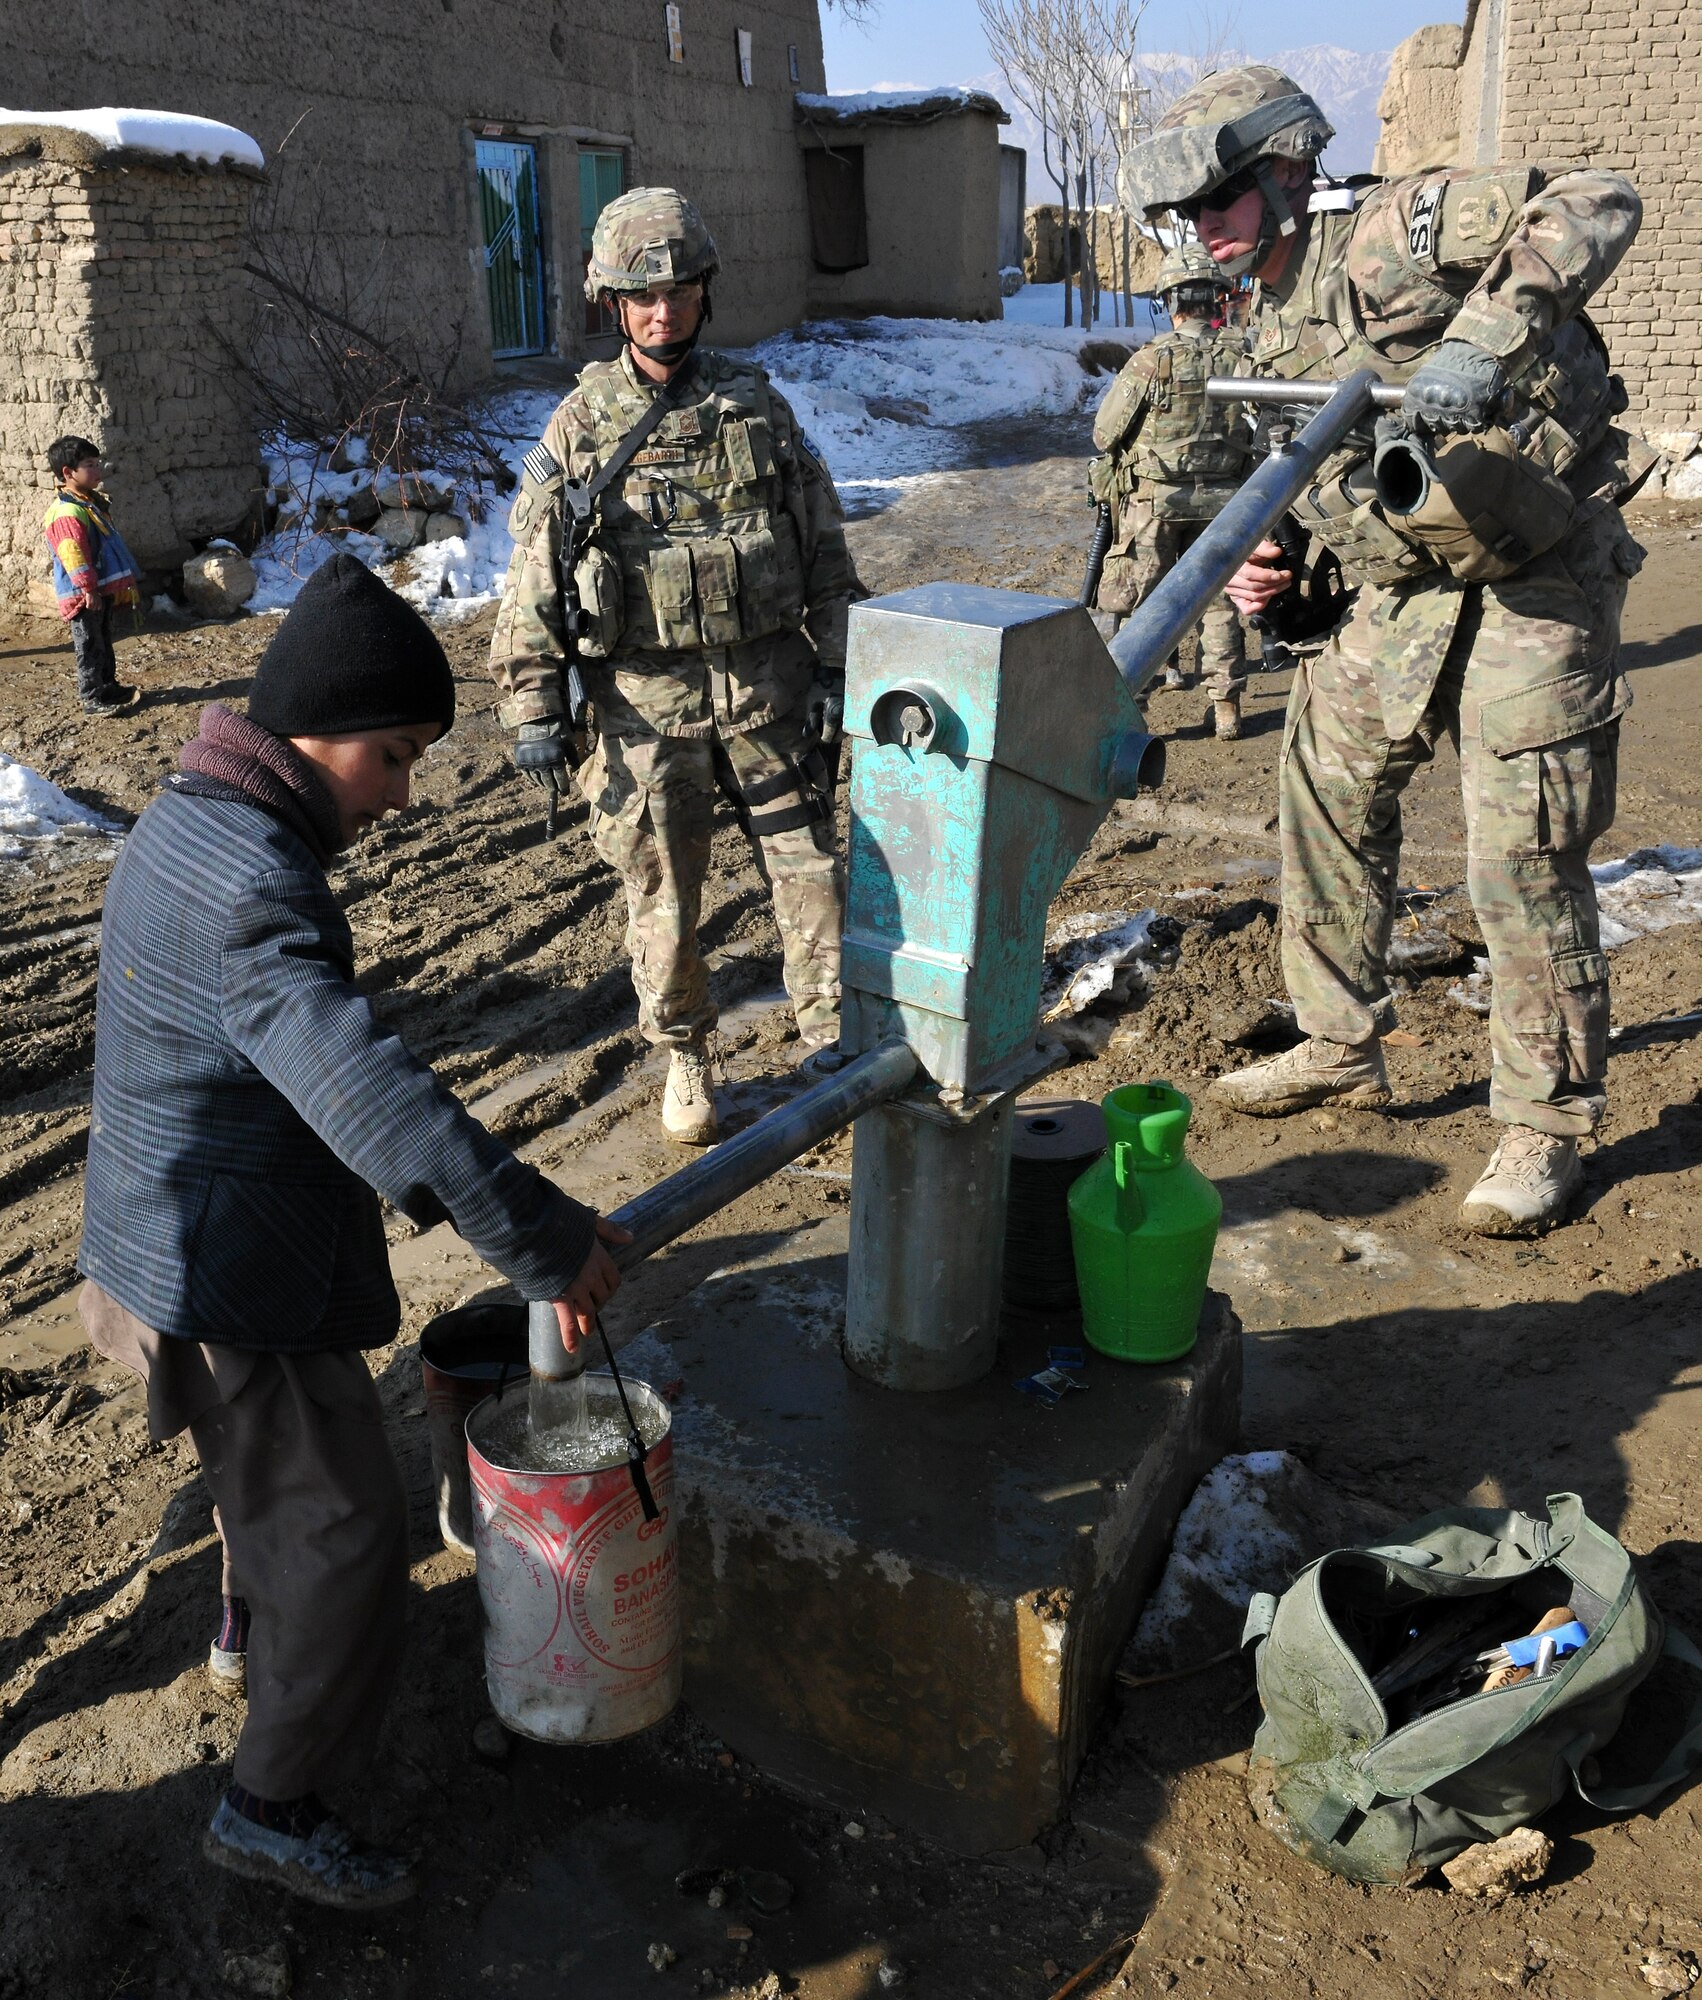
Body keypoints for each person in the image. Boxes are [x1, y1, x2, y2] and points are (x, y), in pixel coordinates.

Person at [77, 554, 627, 1908]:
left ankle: (236, 1630)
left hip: (164, 1249)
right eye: (391, 756)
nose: (400, 793)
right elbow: (368, 1091)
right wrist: (545, 1239)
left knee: (262, 1480)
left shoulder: (192, 819)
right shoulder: (254, 894)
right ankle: (270, 1803)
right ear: (315, 731)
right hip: (222, 1285)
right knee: (346, 1539)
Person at [1121, 66, 1648, 1236]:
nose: (1202, 230)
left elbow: (1596, 195)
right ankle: (1337, 1038)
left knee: (1521, 842)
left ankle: (1543, 1118)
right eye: (1186, 213)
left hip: (1536, 571)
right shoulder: (1244, 314)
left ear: (1282, 171)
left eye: (1220, 199)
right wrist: (1292, 572)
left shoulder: (1392, 230)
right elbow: (1323, 473)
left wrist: (1482, 343)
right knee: (1322, 780)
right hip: (1403, 584)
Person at [489, 187, 864, 1146]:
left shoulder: (757, 406)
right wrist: (533, 700)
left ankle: (830, 1041)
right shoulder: (580, 425)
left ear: (705, 293)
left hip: (770, 692)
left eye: (681, 291)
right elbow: (533, 573)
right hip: (647, 714)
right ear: (613, 303)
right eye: (643, 295)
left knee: (814, 876)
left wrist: (841, 672)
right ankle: (687, 1053)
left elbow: (821, 546)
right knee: (665, 903)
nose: (665, 312)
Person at [1088, 243, 1253, 739]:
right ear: (1218, 299)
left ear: (1171, 301)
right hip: (1225, 504)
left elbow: (1105, 433)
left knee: (1144, 603)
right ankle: (1225, 706)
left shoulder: (1150, 360)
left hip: (1156, 505)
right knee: (1220, 604)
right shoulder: (1242, 356)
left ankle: (1130, 706)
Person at [43, 435, 141, 716]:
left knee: (103, 639)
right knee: (88, 643)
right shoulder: (66, 511)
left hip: (97, 590)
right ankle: (92, 695)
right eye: (90, 465)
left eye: (97, 464)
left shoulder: (89, 503)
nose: (97, 471)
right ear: (67, 472)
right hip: (83, 594)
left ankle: (108, 685)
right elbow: (74, 555)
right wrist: (88, 590)